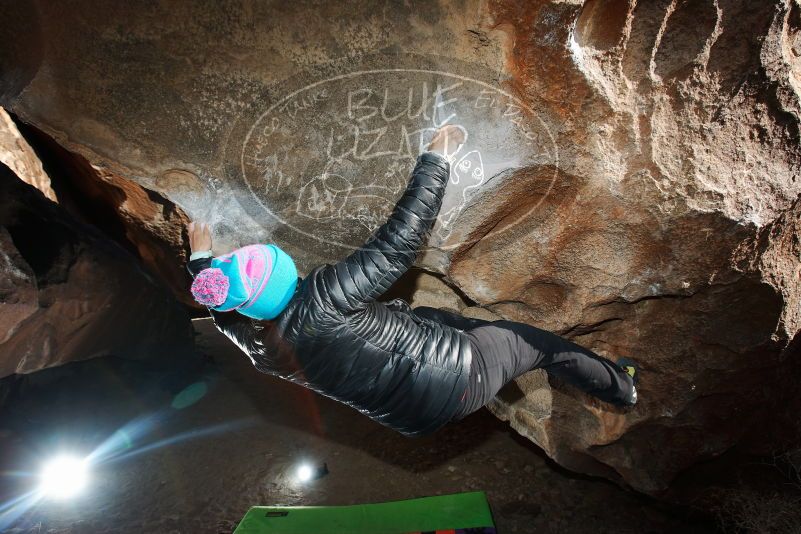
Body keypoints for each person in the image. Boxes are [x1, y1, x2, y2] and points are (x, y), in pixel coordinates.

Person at [186, 125, 637, 437]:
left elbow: (222, 311)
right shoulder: (325, 298)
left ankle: (465, 337)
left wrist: (202, 266)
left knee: (427, 316)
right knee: (541, 347)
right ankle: (623, 387)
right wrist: (437, 158)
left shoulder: (262, 348)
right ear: (286, 274)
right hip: (460, 379)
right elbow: (400, 242)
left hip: (410, 417)